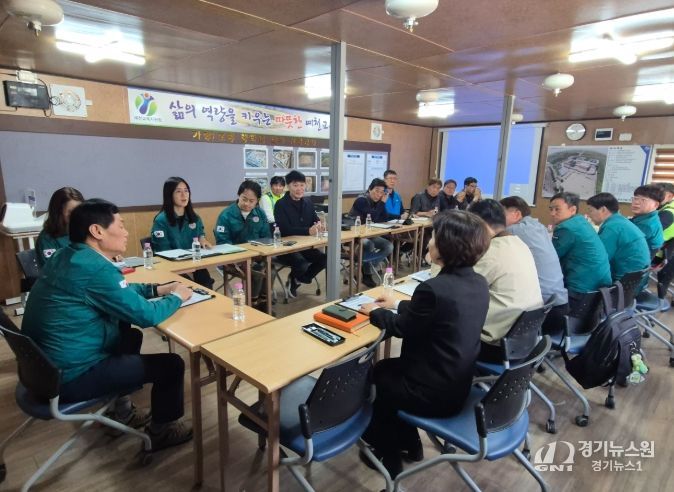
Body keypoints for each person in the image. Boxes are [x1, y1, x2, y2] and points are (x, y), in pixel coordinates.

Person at [22, 199, 194, 450]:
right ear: (97, 231)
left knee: (129, 336)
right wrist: (177, 296)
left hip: (42, 369)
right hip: (70, 377)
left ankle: (121, 411)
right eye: (120, 226)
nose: (126, 232)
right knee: (172, 365)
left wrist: (157, 289)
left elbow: (116, 290)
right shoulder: (95, 268)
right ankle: (162, 432)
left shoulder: (68, 256)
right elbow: (146, 316)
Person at [359, 210, 490, 478]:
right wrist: (398, 303)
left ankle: (387, 454)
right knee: (386, 370)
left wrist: (374, 311)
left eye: (434, 236)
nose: (429, 241)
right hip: (458, 384)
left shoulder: (434, 288)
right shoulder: (478, 282)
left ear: (446, 246)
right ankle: (410, 443)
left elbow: (400, 327)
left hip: (432, 393)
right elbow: (435, 312)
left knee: (380, 374)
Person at [469, 200, 543, 361]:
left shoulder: (492, 251)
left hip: (495, 346)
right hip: (524, 340)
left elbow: (460, 287)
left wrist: (438, 258)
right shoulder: (519, 243)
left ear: (478, 224)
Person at [500, 195, 569, 334]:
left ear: (516, 214)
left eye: (501, 214)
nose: (497, 220)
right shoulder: (539, 227)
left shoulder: (514, 231)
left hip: (541, 315)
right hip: (560, 305)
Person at [549, 192, 612, 305]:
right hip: (600, 288)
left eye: (557, 209)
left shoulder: (566, 228)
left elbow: (551, 258)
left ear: (572, 210)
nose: (552, 213)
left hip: (581, 290)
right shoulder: (581, 222)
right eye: (551, 209)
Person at [214, 180, 270, 307]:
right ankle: (252, 304)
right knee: (257, 271)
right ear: (238, 195)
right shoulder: (226, 215)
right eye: (244, 199)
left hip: (257, 255)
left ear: (257, 201)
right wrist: (240, 256)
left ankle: (264, 302)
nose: (247, 204)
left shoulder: (260, 214)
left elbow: (266, 237)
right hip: (234, 259)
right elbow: (222, 243)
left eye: (251, 201)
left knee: (270, 268)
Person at [151, 177, 214, 289]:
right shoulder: (161, 220)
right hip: (172, 266)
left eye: (186, 191)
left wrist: (202, 239)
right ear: (169, 195)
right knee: (189, 287)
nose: (184, 195)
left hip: (194, 263)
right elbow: (163, 251)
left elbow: (200, 233)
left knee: (206, 284)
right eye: (178, 191)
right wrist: (186, 267)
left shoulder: (194, 217)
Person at [273, 170, 326, 297]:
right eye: (295, 185)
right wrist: (307, 231)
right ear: (288, 186)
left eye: (302, 185)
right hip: (286, 247)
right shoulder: (281, 204)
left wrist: (320, 225)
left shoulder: (308, 202)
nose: (299, 189)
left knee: (325, 259)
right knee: (301, 263)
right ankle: (298, 277)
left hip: (305, 246)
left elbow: (315, 220)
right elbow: (284, 229)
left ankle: (298, 279)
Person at [587, 192, 650, 283]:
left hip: (624, 282)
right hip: (636, 280)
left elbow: (598, 259)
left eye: (590, 210)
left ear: (603, 210)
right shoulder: (620, 221)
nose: (589, 215)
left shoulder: (613, 228)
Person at [349, 178, 395, 287]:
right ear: (370, 189)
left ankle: (364, 264)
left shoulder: (378, 202)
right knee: (369, 244)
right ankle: (367, 275)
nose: (378, 194)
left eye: (381, 192)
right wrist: (382, 203)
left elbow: (384, 217)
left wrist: (382, 204)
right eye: (376, 191)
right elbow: (371, 217)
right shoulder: (361, 200)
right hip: (354, 235)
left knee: (388, 246)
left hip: (369, 234)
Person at [36, 187, 84, 267]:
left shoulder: (83, 232)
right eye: (71, 212)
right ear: (58, 213)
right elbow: (54, 269)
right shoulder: (47, 239)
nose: (77, 216)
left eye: (79, 210)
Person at [630, 185, 664, 257]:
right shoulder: (648, 217)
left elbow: (626, 244)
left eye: (643, 200)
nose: (636, 202)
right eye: (635, 198)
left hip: (636, 259)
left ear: (655, 205)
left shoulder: (647, 225)